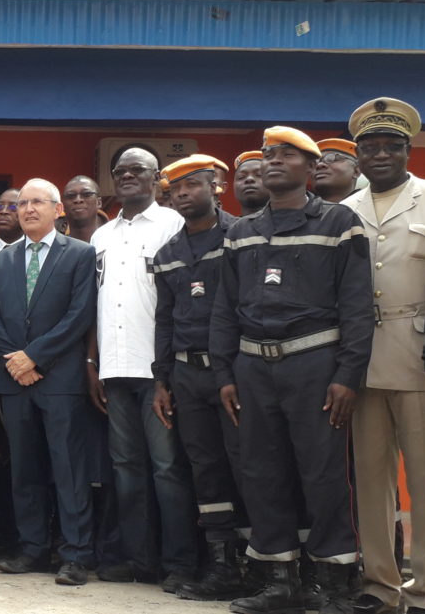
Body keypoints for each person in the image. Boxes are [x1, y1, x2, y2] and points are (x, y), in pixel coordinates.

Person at [211, 126, 373, 614]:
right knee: (261, 473)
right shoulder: (241, 231)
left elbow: (358, 307)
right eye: (267, 155)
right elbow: (225, 308)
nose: (272, 162)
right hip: (253, 367)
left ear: (310, 166)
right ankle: (280, 582)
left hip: (315, 364)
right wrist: (224, 374)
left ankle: (335, 585)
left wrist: (348, 375)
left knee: (323, 475)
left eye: (286, 155)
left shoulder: (339, 221)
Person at [340, 98, 425, 614]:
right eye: (371, 147)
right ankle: (381, 586)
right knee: (370, 480)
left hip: (421, 359)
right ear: (358, 156)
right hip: (360, 362)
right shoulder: (343, 211)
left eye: (392, 146)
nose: (381, 154)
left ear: (409, 150)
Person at [0, 178, 98, 586]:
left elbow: (80, 314)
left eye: (37, 202)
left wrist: (35, 356)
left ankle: (76, 554)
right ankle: (32, 549)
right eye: (22, 203)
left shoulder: (80, 254)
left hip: (59, 379)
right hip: (15, 380)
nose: (28, 209)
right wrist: (16, 361)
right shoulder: (5, 258)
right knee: (24, 470)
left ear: (57, 209)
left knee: (68, 468)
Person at [91, 147, 197, 590]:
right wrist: (94, 365)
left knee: (168, 469)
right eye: (121, 172)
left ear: (157, 180)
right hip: (114, 370)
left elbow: (181, 301)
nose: (128, 177)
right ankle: (140, 560)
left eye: (138, 170)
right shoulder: (102, 236)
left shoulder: (174, 226)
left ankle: (181, 564)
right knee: (126, 470)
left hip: (158, 372)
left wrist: (167, 373)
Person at [149, 155, 247, 601]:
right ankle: (221, 569)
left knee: (248, 468)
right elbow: (164, 321)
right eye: (176, 188)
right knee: (204, 470)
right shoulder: (168, 253)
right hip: (187, 375)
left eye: (193, 184)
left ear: (217, 186)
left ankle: (261, 566)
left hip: (236, 373)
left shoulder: (242, 236)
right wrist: (162, 380)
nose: (183, 193)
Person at [312, 138, 360, 204]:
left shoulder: (373, 208)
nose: (319, 165)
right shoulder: (296, 210)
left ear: (356, 171)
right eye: (315, 162)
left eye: (333, 158)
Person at [61, 175, 104, 243]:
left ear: (99, 202)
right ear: (62, 206)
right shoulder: (53, 247)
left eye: (86, 194)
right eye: (71, 196)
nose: (78, 200)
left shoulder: (116, 241)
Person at [232, 151, 268, 216]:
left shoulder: (290, 224)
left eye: (259, 175)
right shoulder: (227, 226)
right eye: (241, 177)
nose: (249, 179)